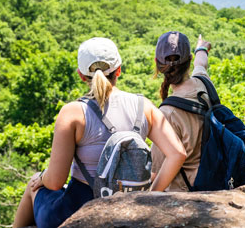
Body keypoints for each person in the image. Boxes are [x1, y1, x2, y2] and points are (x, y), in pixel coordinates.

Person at [12, 37, 186, 228]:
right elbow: (177, 153)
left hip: (76, 210)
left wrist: (41, 177)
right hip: (128, 209)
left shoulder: (73, 112)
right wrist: (149, 195)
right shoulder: (143, 106)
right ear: (118, 70)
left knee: (33, 184)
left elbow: (54, 182)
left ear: (81, 75)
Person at [150, 32, 212, 191]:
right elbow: (201, 64)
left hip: (184, 195)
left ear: (158, 64)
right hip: (214, 180)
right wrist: (202, 49)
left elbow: (155, 174)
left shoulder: (166, 114)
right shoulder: (203, 84)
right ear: (189, 60)